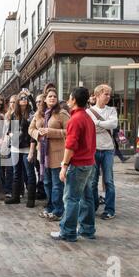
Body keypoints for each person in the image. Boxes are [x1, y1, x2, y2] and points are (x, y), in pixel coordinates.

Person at [50, 87, 96, 242]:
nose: (68, 100)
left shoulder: (75, 120)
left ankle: (68, 231)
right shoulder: (87, 117)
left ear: (74, 99)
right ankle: (87, 229)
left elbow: (70, 146)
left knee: (71, 198)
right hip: (89, 163)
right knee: (86, 198)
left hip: (78, 164)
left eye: (70, 97)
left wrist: (64, 165)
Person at [29, 88, 70, 221]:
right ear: (45, 99)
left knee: (57, 184)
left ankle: (58, 210)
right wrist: (38, 134)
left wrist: (51, 132)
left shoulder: (62, 113)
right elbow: (31, 129)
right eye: (50, 96)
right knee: (47, 182)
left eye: (54, 96)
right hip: (43, 154)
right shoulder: (39, 114)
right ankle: (51, 206)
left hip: (57, 154)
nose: (52, 98)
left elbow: (69, 131)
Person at [87, 84, 118, 220]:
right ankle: (93, 207)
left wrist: (98, 123)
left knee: (109, 180)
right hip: (94, 149)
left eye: (109, 94)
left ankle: (110, 209)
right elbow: (90, 128)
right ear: (98, 94)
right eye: (106, 94)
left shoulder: (111, 110)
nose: (108, 97)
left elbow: (113, 124)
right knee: (93, 181)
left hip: (108, 150)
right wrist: (103, 123)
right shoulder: (89, 111)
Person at [5, 93, 37, 208]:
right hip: (15, 148)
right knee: (16, 173)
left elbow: (34, 133)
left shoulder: (32, 115)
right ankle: (15, 197)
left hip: (28, 148)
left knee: (30, 173)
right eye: (21, 98)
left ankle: (31, 198)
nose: (23, 100)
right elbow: (9, 131)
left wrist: (32, 151)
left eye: (26, 98)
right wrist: (12, 134)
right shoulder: (14, 114)